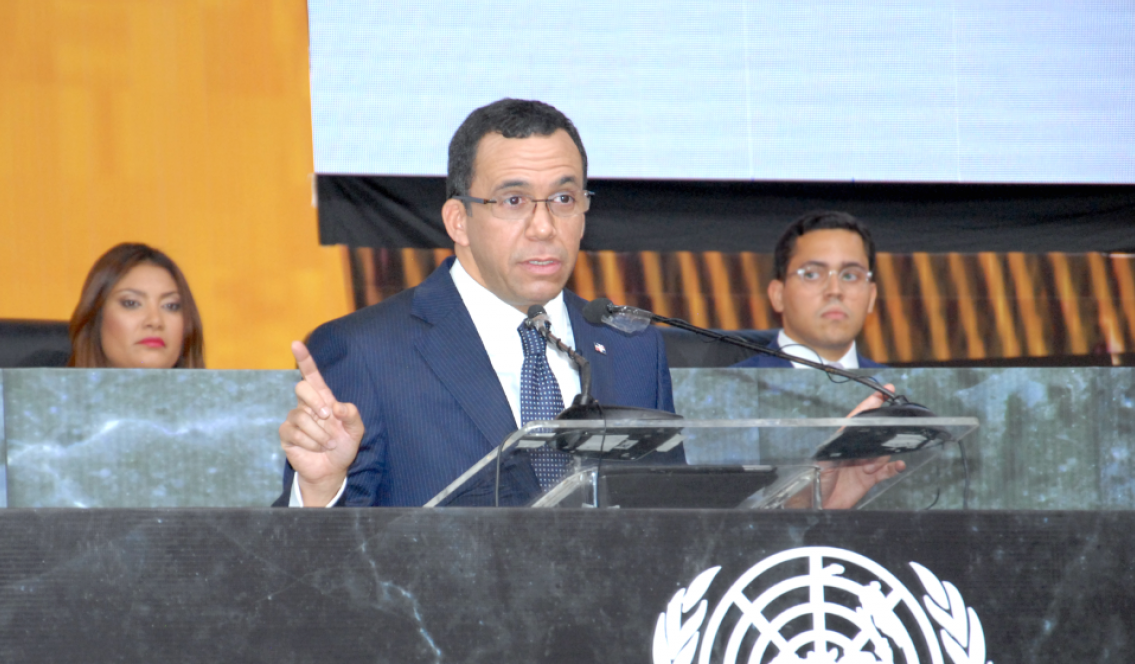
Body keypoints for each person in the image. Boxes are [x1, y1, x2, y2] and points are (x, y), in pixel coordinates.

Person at [276, 99, 675, 508]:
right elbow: (317, 561)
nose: (544, 227)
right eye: (514, 201)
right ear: (458, 221)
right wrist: (321, 491)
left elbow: (676, 525)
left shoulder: (634, 349)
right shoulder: (367, 351)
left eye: (564, 198)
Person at [735, 211, 883, 370]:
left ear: (871, 297)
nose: (835, 290)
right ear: (778, 295)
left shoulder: (901, 390)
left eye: (850, 276)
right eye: (812, 275)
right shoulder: (727, 388)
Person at [69, 243, 205, 369]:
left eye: (171, 306)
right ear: (95, 318)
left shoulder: (220, 394)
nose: (155, 321)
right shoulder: (52, 395)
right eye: (131, 303)